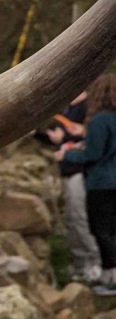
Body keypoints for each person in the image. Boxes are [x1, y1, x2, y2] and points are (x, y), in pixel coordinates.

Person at [60, 76, 116, 292]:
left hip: (102, 183)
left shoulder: (100, 120)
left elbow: (93, 154)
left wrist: (67, 155)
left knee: (101, 230)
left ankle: (110, 278)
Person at [41, 92, 101, 283]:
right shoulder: (68, 107)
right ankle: (81, 264)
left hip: (81, 172)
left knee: (81, 218)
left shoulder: (89, 107)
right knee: (72, 220)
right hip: (68, 171)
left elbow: (89, 140)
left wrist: (66, 139)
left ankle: (96, 264)